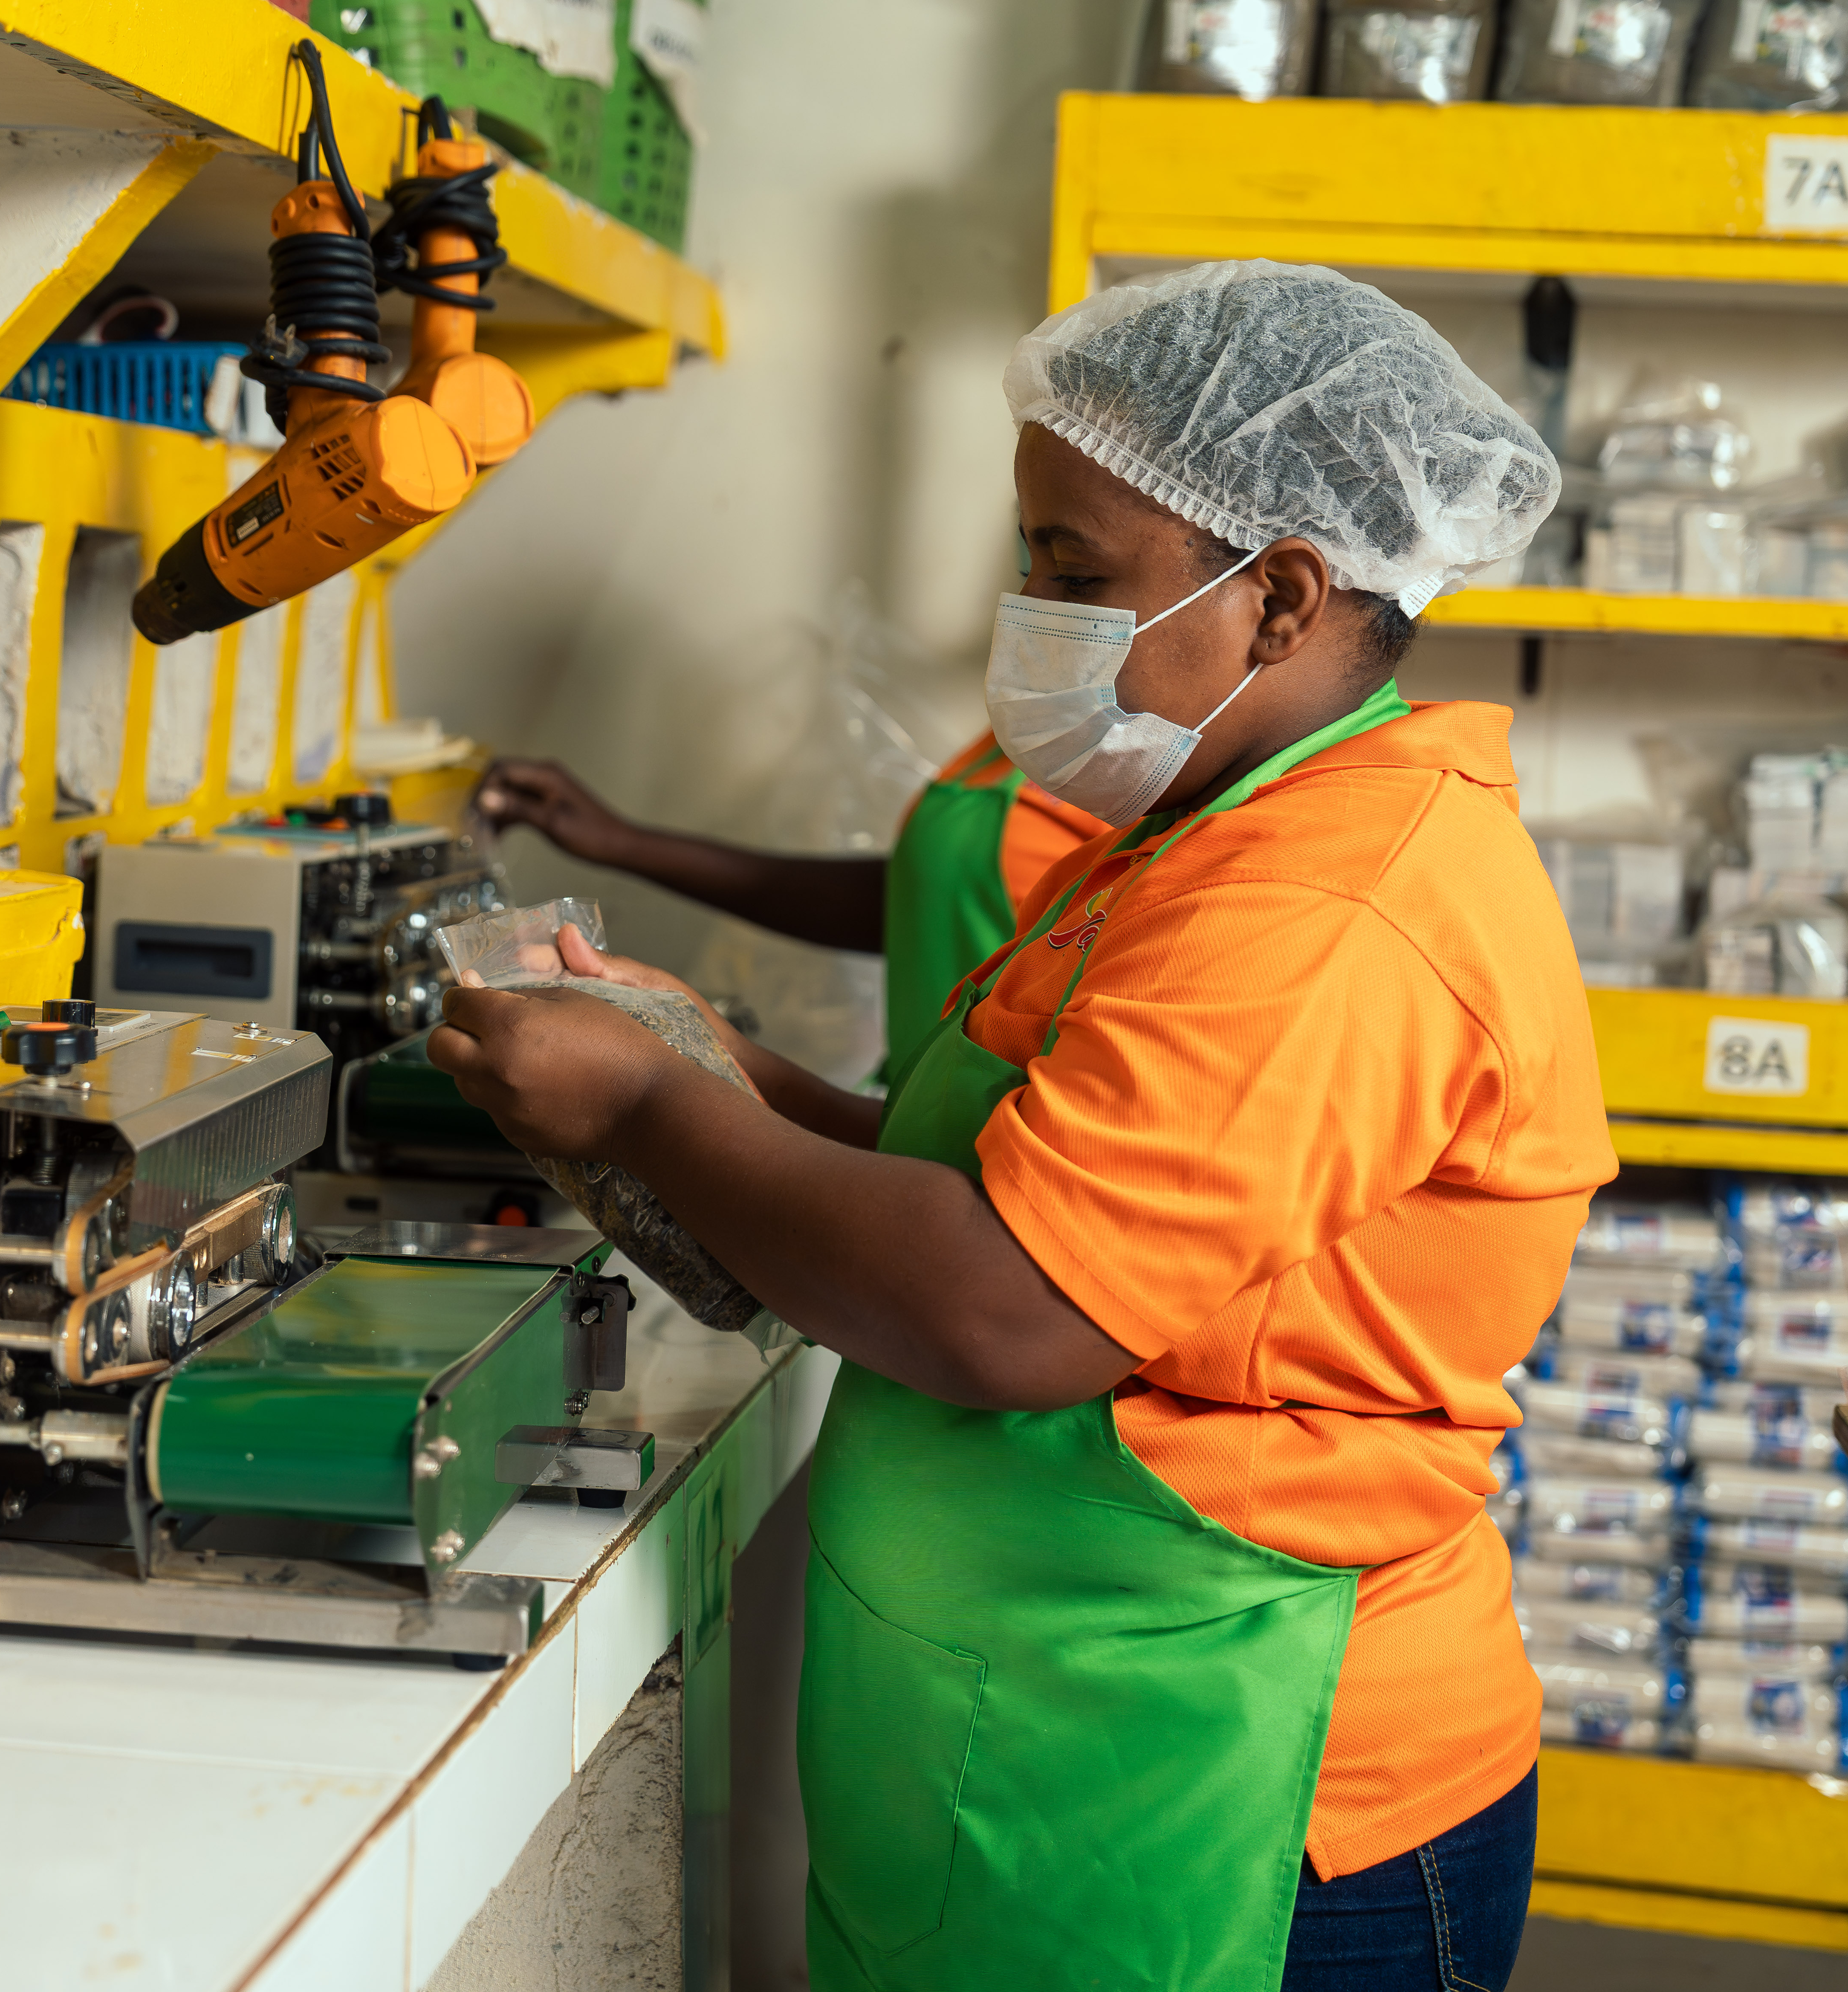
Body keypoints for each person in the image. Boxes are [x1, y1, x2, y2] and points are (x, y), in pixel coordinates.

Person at [429, 261, 1615, 1990]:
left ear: (1281, 595)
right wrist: (717, 1064)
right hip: (1080, 1719)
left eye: (1077, 570)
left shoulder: (1335, 905)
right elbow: (1008, 1182)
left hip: (1258, 1780)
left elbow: (1013, 1305)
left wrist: (643, 1103)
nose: (1027, 610)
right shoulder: (1212, 824)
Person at [474, 729, 1103, 1078]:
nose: (1029, 601)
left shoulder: (1149, 797)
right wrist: (626, 843)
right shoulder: (1033, 729)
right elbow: (923, 902)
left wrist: (657, 1086)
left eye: (1075, 574)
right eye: (1028, 553)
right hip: (921, 1135)